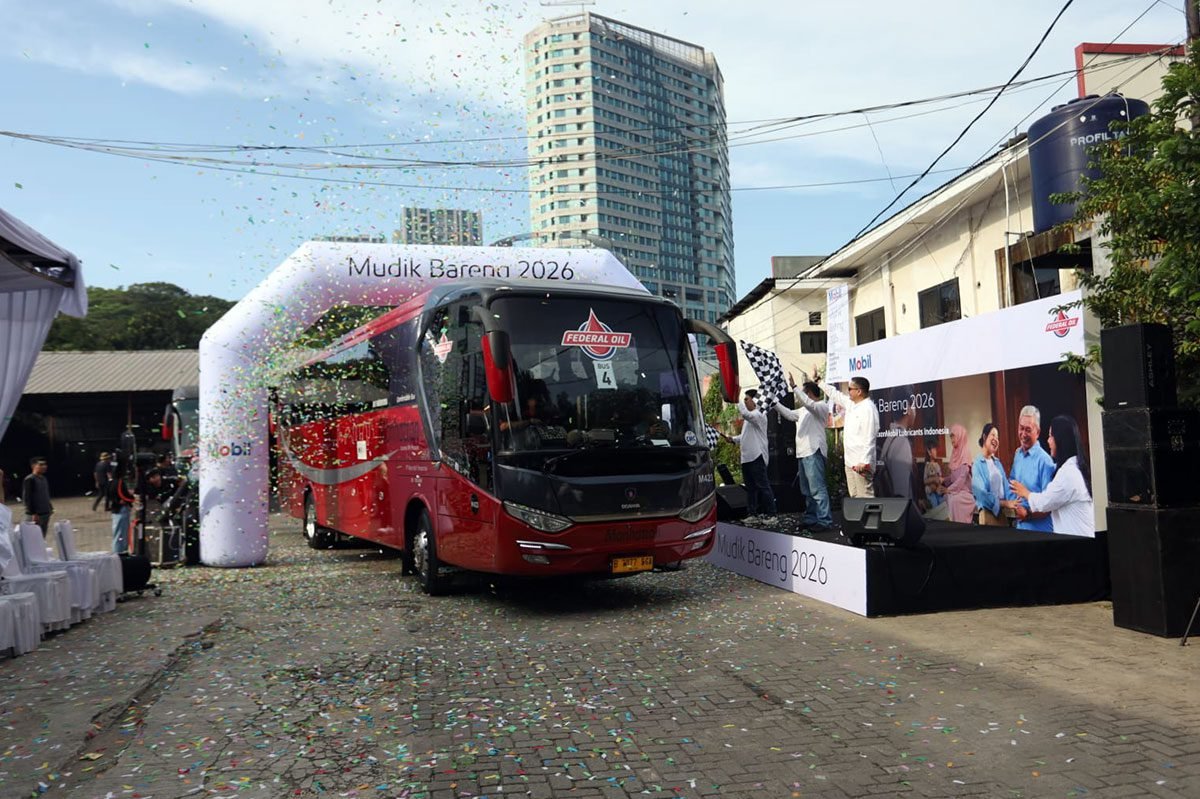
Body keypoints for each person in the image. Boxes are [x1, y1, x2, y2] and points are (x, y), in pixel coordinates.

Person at [1010, 414, 1095, 536]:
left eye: (1050, 436)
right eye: (1021, 428)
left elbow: (1045, 502)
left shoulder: (1068, 473)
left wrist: (1025, 493)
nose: (1048, 440)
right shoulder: (1069, 467)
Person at [773, 375, 833, 531]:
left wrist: (794, 387)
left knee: (817, 488)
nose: (800, 398)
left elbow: (808, 403)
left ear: (809, 393)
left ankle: (824, 520)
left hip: (814, 452)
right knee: (806, 490)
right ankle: (811, 518)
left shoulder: (821, 406)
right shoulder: (802, 410)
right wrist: (773, 401)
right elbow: (788, 414)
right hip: (802, 453)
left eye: (803, 393)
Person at [719, 388, 776, 518]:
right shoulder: (749, 420)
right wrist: (733, 439)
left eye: (746, 399)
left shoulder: (759, 415)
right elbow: (744, 436)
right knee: (751, 489)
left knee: (763, 487)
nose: (745, 402)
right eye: (743, 399)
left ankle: (772, 514)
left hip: (757, 457)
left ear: (754, 400)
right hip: (747, 458)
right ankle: (752, 514)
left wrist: (736, 398)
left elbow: (745, 414)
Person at [821, 376, 879, 498]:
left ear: (859, 391)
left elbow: (870, 437)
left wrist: (864, 461)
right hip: (849, 461)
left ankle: (870, 518)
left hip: (861, 463)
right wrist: (819, 381)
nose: (848, 392)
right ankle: (858, 518)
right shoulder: (851, 404)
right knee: (854, 497)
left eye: (850, 389)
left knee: (865, 498)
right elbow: (835, 394)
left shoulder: (868, 408)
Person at [1008, 405, 1056, 532]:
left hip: (1041, 531)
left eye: (1028, 430)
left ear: (1038, 432)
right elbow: (1011, 485)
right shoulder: (1017, 455)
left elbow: (1049, 504)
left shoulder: (1045, 461)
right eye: (1021, 428)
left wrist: (1027, 514)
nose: (1023, 434)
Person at [971, 422, 1016, 526]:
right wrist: (1003, 503)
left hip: (1002, 514)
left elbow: (1007, 487)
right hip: (987, 515)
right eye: (993, 435)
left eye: (998, 437)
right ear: (984, 436)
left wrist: (1016, 503)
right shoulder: (977, 464)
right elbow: (981, 494)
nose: (996, 439)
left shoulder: (997, 463)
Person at [944, 424, 976, 524]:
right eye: (951, 437)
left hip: (965, 492)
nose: (952, 439)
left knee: (955, 500)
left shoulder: (965, 452)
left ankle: (961, 528)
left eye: (954, 436)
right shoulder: (954, 453)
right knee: (947, 497)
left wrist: (949, 489)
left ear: (960, 436)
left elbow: (962, 478)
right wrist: (943, 480)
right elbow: (953, 477)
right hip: (957, 490)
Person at [21, 456, 53, 538]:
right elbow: (28, 498)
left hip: (45, 512)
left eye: (45, 464)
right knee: (34, 537)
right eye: (41, 465)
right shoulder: (30, 479)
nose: (44, 467)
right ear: (33, 466)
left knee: (42, 536)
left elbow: (45, 494)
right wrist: (33, 513)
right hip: (36, 515)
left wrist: (50, 507)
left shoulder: (43, 478)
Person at [923, 438, 946, 510]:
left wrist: (939, 481)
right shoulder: (927, 465)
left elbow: (940, 478)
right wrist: (932, 479)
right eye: (934, 450)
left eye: (936, 450)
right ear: (929, 452)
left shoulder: (937, 465)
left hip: (937, 490)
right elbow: (925, 481)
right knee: (935, 504)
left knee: (943, 502)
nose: (936, 452)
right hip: (930, 491)